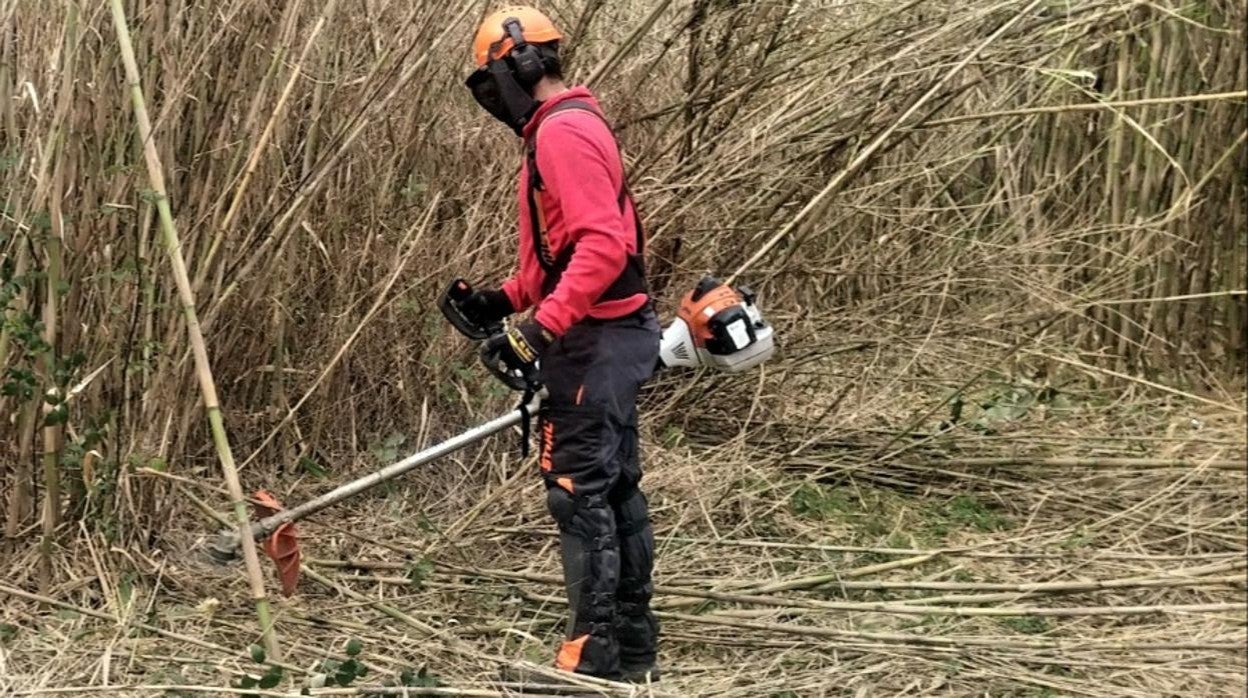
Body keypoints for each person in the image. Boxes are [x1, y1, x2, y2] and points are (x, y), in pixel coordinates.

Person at [455, 5, 661, 684]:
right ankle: (631, 645)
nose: (492, 99)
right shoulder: (571, 123)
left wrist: (540, 328)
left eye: (492, 81)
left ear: (518, 67)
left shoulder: (562, 135)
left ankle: (591, 660)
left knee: (579, 494)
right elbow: (566, 252)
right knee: (613, 484)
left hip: (593, 340)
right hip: (613, 332)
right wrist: (507, 299)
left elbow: (605, 247)